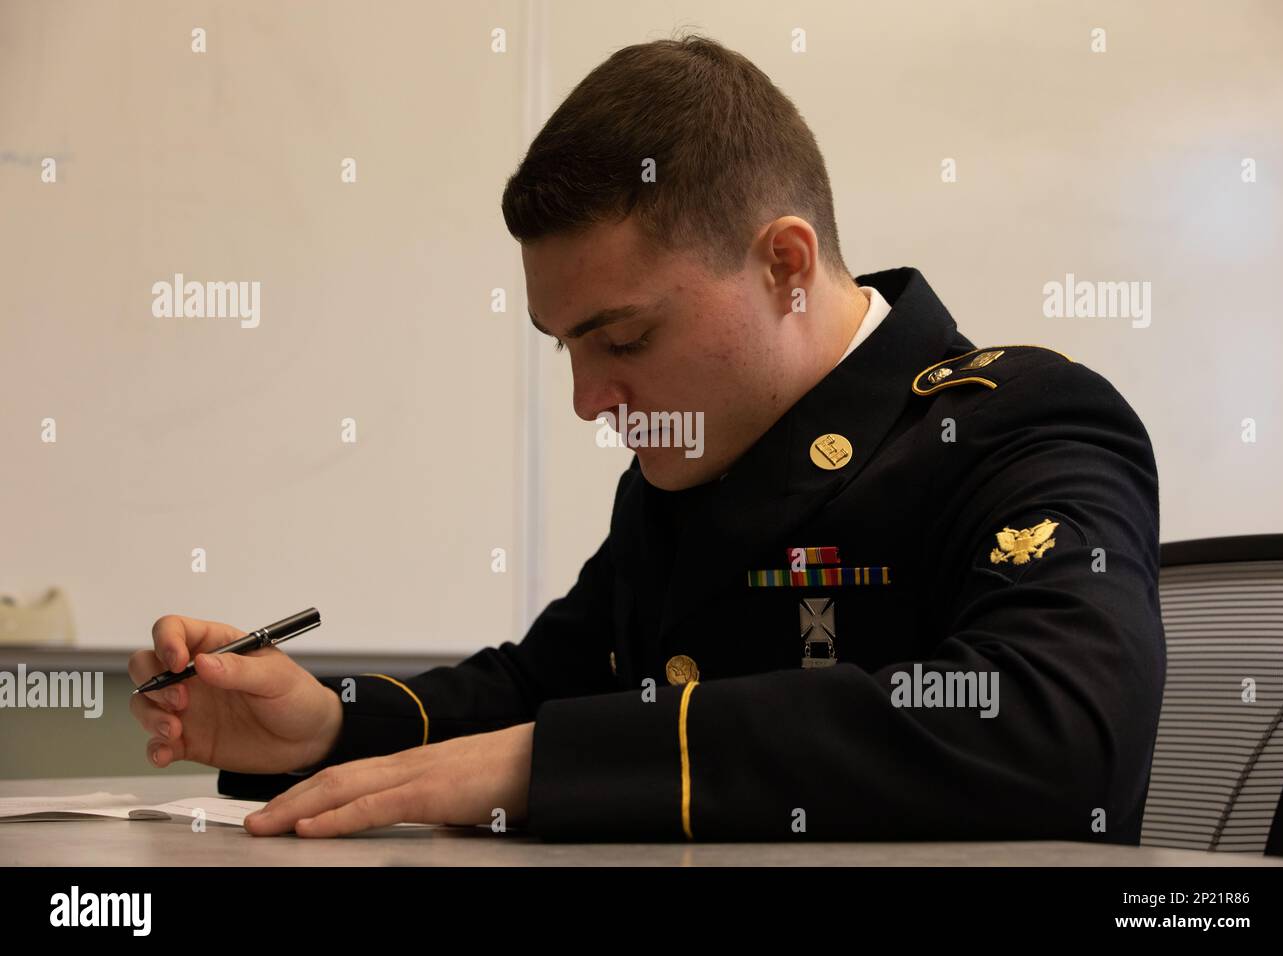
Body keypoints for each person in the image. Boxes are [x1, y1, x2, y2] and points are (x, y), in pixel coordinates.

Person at [128, 34, 1164, 842]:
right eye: (564, 346)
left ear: (786, 265)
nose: (587, 399)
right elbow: (544, 688)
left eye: (621, 336)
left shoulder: (1019, 423)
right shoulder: (690, 456)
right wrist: (330, 721)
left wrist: (556, 762)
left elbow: (1054, 730)